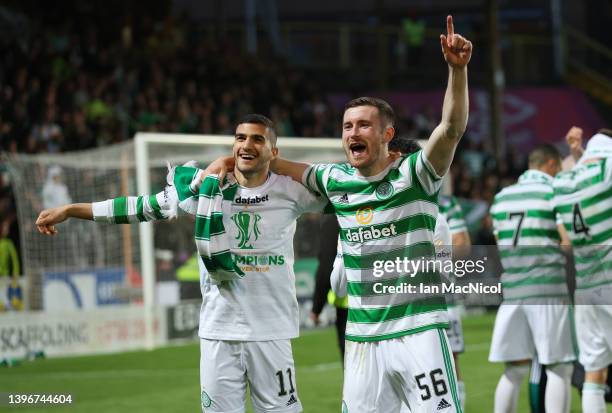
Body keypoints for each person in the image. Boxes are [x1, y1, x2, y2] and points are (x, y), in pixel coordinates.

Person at [36, 114, 328, 413]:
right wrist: (72, 209)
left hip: (271, 331)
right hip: (219, 330)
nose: (246, 145)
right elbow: (138, 207)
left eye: (258, 139)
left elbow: (344, 194)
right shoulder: (204, 188)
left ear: (273, 151)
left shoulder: (290, 190)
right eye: (240, 138)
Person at [268, 15, 471, 412]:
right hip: (362, 340)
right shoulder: (335, 180)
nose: (352, 133)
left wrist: (456, 71)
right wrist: (231, 159)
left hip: (419, 332)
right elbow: (279, 166)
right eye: (347, 126)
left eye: (363, 125)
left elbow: (449, 129)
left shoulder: (415, 175)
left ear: (387, 134)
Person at [489, 144, 576, 413]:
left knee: (514, 369)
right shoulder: (554, 191)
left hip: (513, 290)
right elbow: (567, 241)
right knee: (560, 367)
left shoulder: (502, 197)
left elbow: (497, 241)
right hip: (548, 289)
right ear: (550, 164)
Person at [552, 128, 612, 413]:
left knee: (594, 371)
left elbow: (581, 171)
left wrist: (577, 152)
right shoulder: (607, 171)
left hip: (587, 289)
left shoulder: (564, 183)